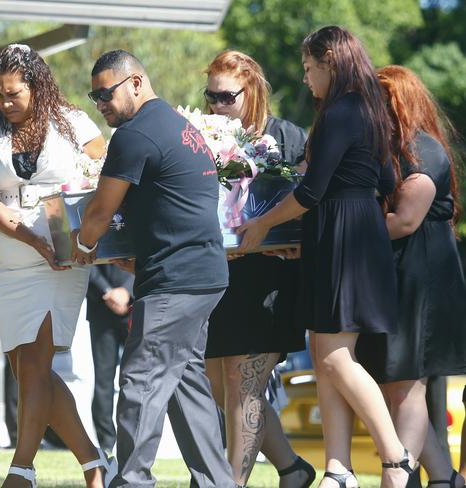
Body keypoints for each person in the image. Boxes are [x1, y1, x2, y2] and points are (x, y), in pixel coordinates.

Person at [236, 26, 418, 488]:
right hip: (350, 231)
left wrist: (261, 223)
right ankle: (339, 468)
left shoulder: (342, 110)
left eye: (308, 68)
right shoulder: (367, 109)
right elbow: (375, 178)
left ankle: (397, 459)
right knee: (325, 356)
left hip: (345, 237)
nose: (304, 79)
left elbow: (312, 191)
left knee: (335, 359)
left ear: (330, 62)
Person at [73, 49, 237, 487]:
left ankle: (132, 482)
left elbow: (98, 212)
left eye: (106, 92)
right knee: (185, 385)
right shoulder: (183, 129)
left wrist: (81, 246)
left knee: (141, 382)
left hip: (176, 281)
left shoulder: (136, 134)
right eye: (94, 96)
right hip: (204, 273)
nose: (100, 102)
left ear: (136, 83)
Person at [0, 44, 114, 488]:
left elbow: (107, 176)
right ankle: (93, 462)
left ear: (37, 84)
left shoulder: (74, 124)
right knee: (27, 370)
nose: (4, 103)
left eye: (13, 93)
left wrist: (84, 230)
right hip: (12, 259)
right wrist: (28, 238)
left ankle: (21, 470)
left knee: (34, 365)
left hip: (62, 258)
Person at [201, 50, 314, 488]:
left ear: (253, 90)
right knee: (218, 385)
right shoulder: (200, 136)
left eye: (226, 97)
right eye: (209, 97)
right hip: (218, 276)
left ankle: (229, 483)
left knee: (243, 385)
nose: (216, 106)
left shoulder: (288, 137)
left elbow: (311, 200)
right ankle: (292, 468)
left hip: (268, 277)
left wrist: (293, 243)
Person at [357, 64, 466, 488]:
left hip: (424, 284)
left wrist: (345, 228)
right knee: (393, 387)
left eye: (379, 104)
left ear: (399, 103)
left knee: (405, 388)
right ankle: (443, 478)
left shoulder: (425, 151)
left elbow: (403, 222)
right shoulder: (391, 151)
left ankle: (397, 480)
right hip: (396, 280)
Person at [87, 264, 133, 453]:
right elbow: (85, 261)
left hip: (134, 306)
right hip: (100, 306)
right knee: (103, 380)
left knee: (134, 378)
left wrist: (127, 290)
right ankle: (106, 443)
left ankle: (131, 437)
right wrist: (107, 291)